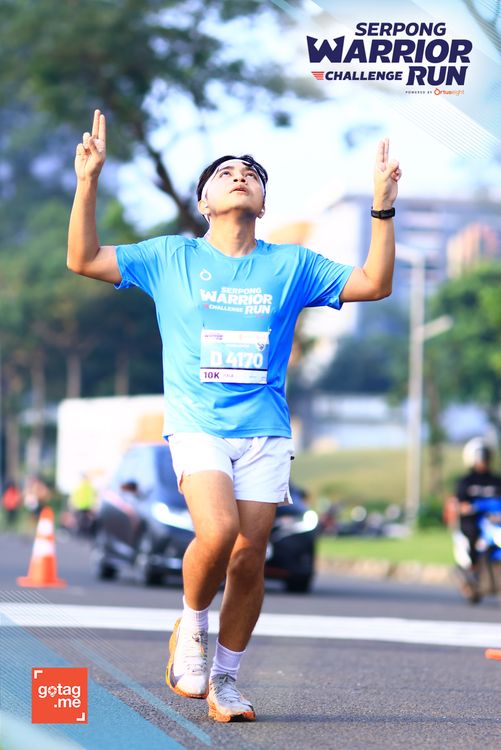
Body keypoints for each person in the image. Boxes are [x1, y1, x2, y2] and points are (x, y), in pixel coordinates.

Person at [67, 109, 401, 722]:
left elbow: (375, 284)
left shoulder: (292, 265)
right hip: (197, 423)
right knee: (218, 533)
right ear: (204, 202)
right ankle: (191, 626)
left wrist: (382, 208)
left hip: (264, 430)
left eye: (252, 173)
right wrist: (88, 182)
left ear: (263, 203)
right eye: (225, 172)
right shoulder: (168, 256)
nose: (240, 174)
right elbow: (84, 259)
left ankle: (225, 679)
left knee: (250, 557)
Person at [453, 438, 501, 583]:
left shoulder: (496, 481)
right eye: (481, 459)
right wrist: (471, 507)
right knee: (473, 534)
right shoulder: (466, 482)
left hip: (494, 519)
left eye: (485, 459)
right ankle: (473, 568)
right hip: (473, 520)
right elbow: (460, 504)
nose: (483, 462)